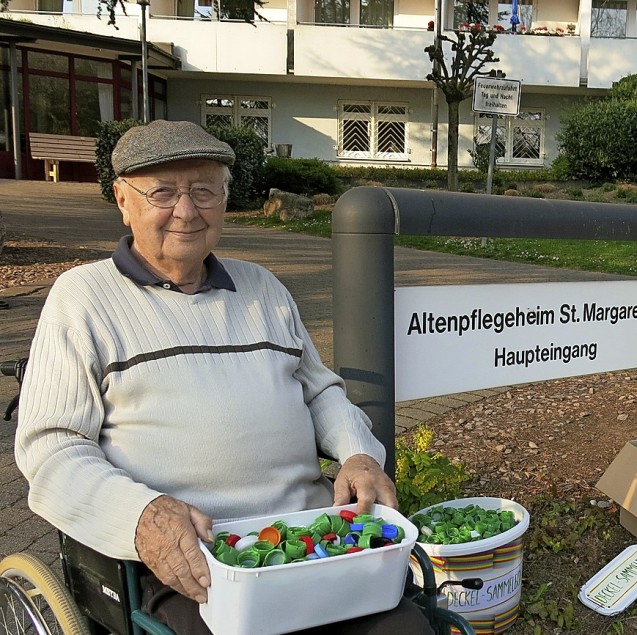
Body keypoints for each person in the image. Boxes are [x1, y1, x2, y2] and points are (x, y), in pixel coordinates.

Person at [14, 120, 433, 634]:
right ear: (123, 201)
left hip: (307, 538)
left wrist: (358, 453)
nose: (186, 211)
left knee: (406, 626)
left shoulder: (262, 287)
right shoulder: (83, 298)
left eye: (204, 191)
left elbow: (319, 391)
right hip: (192, 559)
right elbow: (51, 447)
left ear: (225, 199)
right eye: (163, 193)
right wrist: (142, 516)